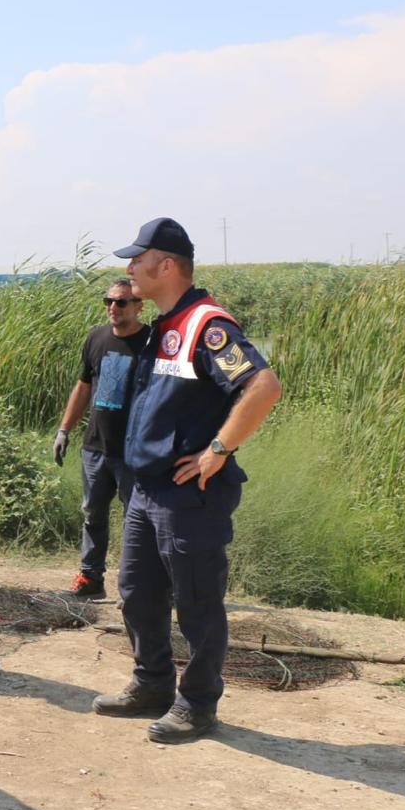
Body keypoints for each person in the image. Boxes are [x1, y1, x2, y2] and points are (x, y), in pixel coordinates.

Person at [91, 217, 281, 743]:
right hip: (147, 489)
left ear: (166, 265)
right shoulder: (166, 324)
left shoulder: (207, 324)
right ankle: (151, 684)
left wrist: (218, 449)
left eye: (138, 259)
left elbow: (263, 386)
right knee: (136, 592)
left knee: (196, 602)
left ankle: (198, 704)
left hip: (188, 496)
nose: (130, 269)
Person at [52, 278, 150, 599]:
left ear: (139, 306)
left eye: (121, 302)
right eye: (108, 301)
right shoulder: (96, 338)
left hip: (134, 451)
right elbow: (83, 386)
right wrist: (64, 430)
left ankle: (140, 584)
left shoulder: (153, 342)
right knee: (92, 512)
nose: (113, 307)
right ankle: (91, 577)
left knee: (138, 519)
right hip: (95, 447)